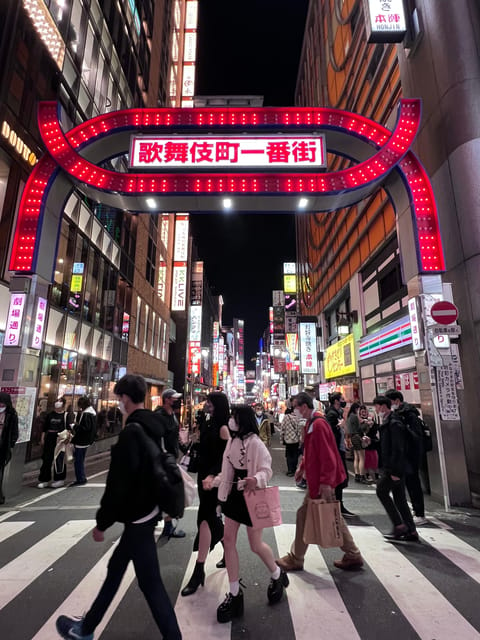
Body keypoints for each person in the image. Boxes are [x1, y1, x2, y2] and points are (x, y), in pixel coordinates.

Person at [56, 374, 182, 640]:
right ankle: (87, 627)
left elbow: (117, 486)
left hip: (138, 517)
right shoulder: (155, 426)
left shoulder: (131, 433)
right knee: (116, 568)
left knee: (151, 585)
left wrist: (102, 523)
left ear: (125, 398)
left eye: (120, 398)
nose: (119, 403)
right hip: (149, 511)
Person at [215, 405, 289, 623]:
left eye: (234, 417)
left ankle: (277, 574)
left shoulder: (256, 443)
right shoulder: (232, 441)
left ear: (243, 420)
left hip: (253, 497)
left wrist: (255, 479)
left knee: (255, 545)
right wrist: (219, 489)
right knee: (228, 541)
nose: (231, 421)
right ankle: (235, 592)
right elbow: (227, 470)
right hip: (234, 497)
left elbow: (267, 470)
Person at [276, 392, 363, 573]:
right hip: (319, 481)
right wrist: (303, 469)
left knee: (321, 515)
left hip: (323, 482)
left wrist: (325, 483)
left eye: (295, 407)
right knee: (324, 515)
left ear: (304, 407)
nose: (294, 410)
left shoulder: (318, 424)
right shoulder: (312, 423)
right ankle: (352, 555)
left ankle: (297, 558)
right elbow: (312, 452)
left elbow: (327, 456)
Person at [181, 391, 230, 596]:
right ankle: (228, 551)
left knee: (205, 519)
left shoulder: (224, 427)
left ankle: (198, 570)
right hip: (204, 478)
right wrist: (185, 444)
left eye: (209, 402)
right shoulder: (208, 423)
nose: (206, 404)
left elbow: (228, 456)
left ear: (217, 404)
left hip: (215, 480)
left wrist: (213, 475)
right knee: (212, 519)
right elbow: (203, 449)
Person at [373, 395, 418, 542]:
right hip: (395, 467)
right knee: (400, 499)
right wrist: (372, 442)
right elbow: (385, 445)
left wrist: (395, 471)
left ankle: (399, 525)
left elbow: (398, 449)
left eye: (376, 407)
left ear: (383, 406)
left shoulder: (394, 423)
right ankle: (411, 531)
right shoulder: (389, 421)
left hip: (395, 468)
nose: (375, 410)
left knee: (381, 490)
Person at [385, 389, 428, 526]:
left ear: (397, 401)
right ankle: (413, 511)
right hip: (404, 456)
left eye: (389, 402)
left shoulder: (409, 415)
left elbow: (415, 436)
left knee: (413, 483)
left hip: (411, 455)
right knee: (405, 484)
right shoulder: (399, 413)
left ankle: (420, 513)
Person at [154, 388, 186, 539]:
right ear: (166, 399)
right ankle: (164, 524)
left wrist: (183, 448)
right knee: (168, 492)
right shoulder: (158, 416)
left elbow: (174, 436)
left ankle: (167, 524)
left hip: (171, 458)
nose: (177, 401)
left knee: (170, 492)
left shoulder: (172, 414)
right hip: (163, 460)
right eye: (174, 398)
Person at [325, 392, 355, 517]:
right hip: (336, 450)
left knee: (340, 478)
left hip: (339, 448)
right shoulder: (331, 414)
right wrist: (339, 426)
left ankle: (338, 504)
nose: (343, 400)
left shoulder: (337, 412)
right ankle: (337, 505)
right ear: (336, 401)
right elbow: (331, 432)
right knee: (339, 478)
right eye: (341, 399)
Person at [38, 397, 73, 489]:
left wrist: (68, 438)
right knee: (47, 459)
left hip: (60, 439)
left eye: (60, 402)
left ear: (63, 404)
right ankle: (44, 480)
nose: (58, 403)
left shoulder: (66, 415)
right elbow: (45, 428)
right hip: (49, 438)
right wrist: (42, 438)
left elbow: (69, 429)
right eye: (57, 401)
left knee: (59, 459)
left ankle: (59, 479)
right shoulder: (50, 415)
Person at [70, 396, 97, 486]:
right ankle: (81, 478)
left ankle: (80, 479)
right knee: (80, 460)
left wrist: (74, 426)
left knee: (78, 461)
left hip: (82, 441)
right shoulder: (92, 412)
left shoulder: (86, 414)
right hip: (87, 441)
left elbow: (85, 428)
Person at [0, 392, 19, 504]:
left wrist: (11, 444)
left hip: (3, 447)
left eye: (3, 404)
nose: (1, 406)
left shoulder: (12, 415)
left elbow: (15, 433)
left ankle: (0, 497)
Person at [347, 402, 368, 484]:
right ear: (356, 409)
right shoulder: (355, 417)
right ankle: (362, 476)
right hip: (357, 437)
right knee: (362, 458)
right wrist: (365, 423)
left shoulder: (349, 416)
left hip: (352, 437)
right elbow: (359, 429)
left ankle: (357, 475)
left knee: (356, 457)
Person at [280, 405, 301, 476]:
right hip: (296, 440)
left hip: (287, 440)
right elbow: (299, 430)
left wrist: (281, 439)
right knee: (295, 455)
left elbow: (282, 429)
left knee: (288, 455)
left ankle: (289, 470)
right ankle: (294, 469)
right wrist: (300, 440)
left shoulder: (286, 417)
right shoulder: (298, 418)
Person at [360, 405, 380, 482]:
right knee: (367, 461)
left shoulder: (372, 421)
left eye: (365, 412)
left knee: (375, 460)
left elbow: (376, 430)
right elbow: (361, 431)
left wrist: (372, 424)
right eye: (362, 412)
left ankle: (376, 476)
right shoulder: (361, 422)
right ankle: (368, 475)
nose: (364, 413)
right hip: (365, 443)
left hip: (373, 442)